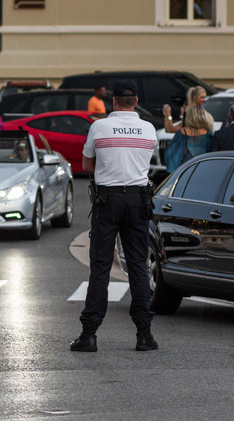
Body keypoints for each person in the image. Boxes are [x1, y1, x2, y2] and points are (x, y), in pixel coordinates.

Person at [71, 80, 158, 353]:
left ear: (113, 101)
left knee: (100, 267)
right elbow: (144, 160)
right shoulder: (148, 129)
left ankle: (89, 335)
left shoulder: (99, 127)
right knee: (138, 267)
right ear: (136, 101)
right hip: (138, 199)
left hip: (107, 200)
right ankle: (144, 335)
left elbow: (87, 164)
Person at [164, 105, 214, 173]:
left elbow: (170, 153)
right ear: (203, 117)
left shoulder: (181, 132)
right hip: (202, 170)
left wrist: (168, 115)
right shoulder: (208, 134)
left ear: (188, 117)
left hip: (183, 171)